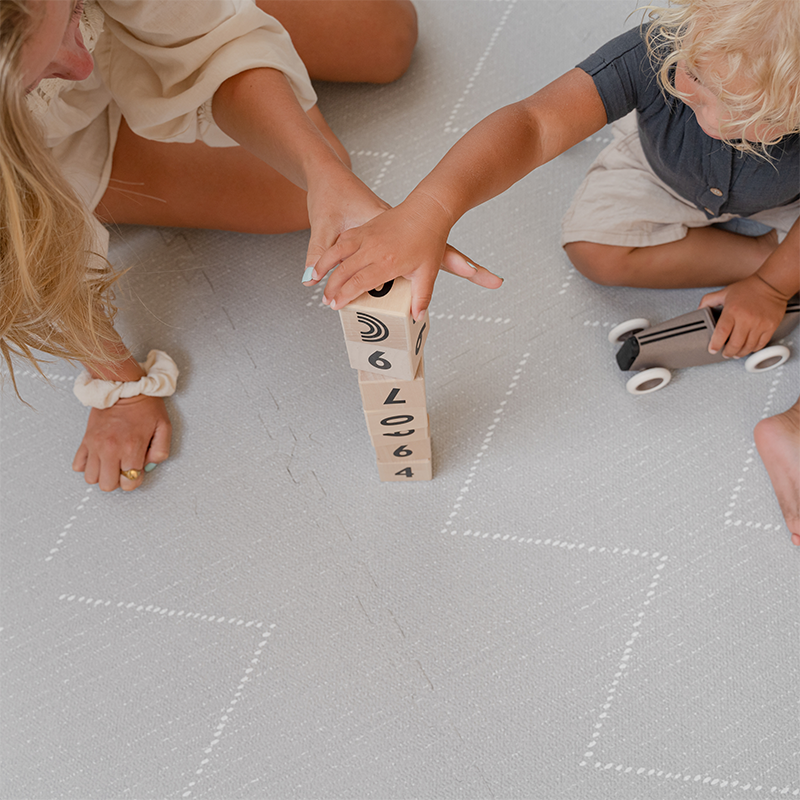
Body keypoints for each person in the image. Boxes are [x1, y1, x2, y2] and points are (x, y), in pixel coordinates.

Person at [307, 0, 800, 545]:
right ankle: (772, 257)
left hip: (785, 201)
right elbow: (535, 122)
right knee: (592, 247)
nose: (699, 104)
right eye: (695, 75)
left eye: (746, 111)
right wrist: (428, 210)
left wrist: (772, 289)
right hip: (662, 176)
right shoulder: (662, 48)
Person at [2, 0, 493, 493]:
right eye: (36, 76)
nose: (79, 64)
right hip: (54, 156)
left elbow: (213, 49)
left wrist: (320, 170)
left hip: (141, 22)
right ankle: (86, 163)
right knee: (293, 193)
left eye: (70, 14)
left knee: (389, 40)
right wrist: (120, 383)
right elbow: (24, 250)